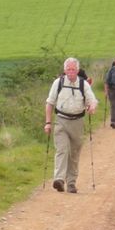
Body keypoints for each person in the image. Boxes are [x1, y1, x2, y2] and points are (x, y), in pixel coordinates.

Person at [45, 57, 98, 193]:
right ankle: (59, 179)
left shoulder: (83, 84)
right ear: (64, 70)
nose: (71, 72)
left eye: (73, 69)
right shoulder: (58, 83)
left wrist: (92, 107)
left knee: (74, 153)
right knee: (62, 150)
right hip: (61, 121)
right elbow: (50, 103)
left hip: (77, 122)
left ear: (77, 70)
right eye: (68, 69)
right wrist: (48, 123)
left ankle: (71, 183)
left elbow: (92, 100)